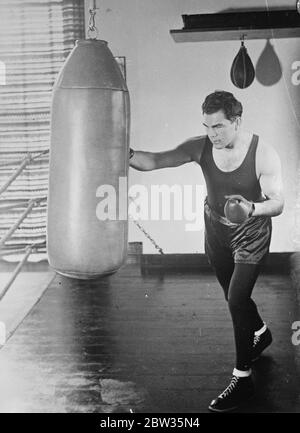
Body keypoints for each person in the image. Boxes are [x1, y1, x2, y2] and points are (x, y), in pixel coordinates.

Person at [129, 90, 284, 412]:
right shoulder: (201, 146)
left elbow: (278, 202)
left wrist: (250, 208)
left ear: (237, 121)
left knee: (236, 299)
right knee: (234, 297)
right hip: (215, 231)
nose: (212, 134)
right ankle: (261, 333)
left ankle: (242, 378)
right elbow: (155, 160)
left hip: (250, 234)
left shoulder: (263, 153)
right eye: (207, 127)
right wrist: (122, 152)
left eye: (219, 127)